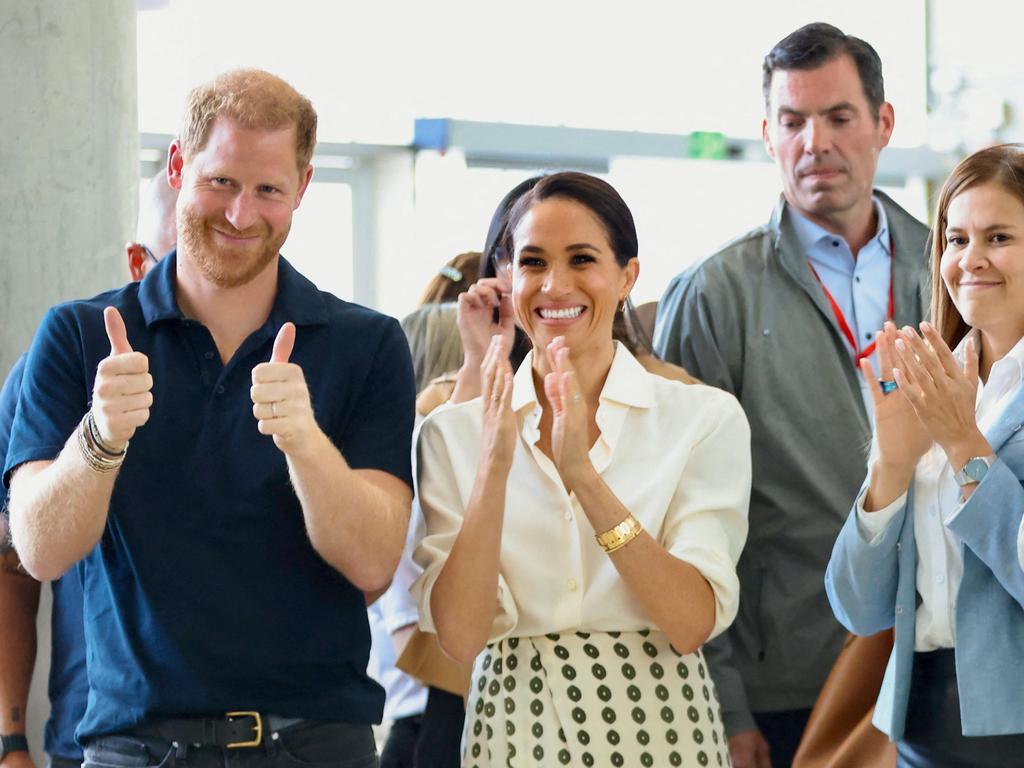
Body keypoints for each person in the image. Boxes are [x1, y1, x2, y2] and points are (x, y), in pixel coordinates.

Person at [4, 69, 414, 768]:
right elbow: (39, 550)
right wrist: (99, 437)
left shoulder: (367, 343)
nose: (240, 214)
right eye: (221, 181)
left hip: (317, 746)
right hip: (134, 748)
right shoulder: (79, 336)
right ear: (177, 165)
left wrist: (305, 443)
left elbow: (374, 564)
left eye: (268, 191)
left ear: (302, 190)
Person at [654, 22, 930, 768]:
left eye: (839, 117)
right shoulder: (713, 296)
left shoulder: (952, 273)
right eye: (793, 121)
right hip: (787, 684)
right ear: (768, 134)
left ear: (883, 124)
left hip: (945, 666)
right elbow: (680, 511)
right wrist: (724, 701)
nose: (816, 142)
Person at [414, 172, 751, 767]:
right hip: (512, 733)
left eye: (582, 259)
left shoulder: (701, 418)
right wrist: (493, 465)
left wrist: (585, 481)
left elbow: (691, 622)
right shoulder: (453, 432)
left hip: (664, 729)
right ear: (507, 275)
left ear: (628, 276)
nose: (555, 284)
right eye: (534, 261)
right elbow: (461, 639)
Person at [826, 142, 1024, 767]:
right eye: (956, 239)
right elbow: (858, 608)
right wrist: (889, 463)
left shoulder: (952, 409)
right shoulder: (932, 380)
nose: (972, 260)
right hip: (921, 731)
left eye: (998, 236)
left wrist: (965, 443)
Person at [0, 174, 178, 768]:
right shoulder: (53, 372)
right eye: (182, 263)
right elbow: (11, 570)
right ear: (138, 262)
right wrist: (10, 739)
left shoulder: (272, 378)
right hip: (92, 732)